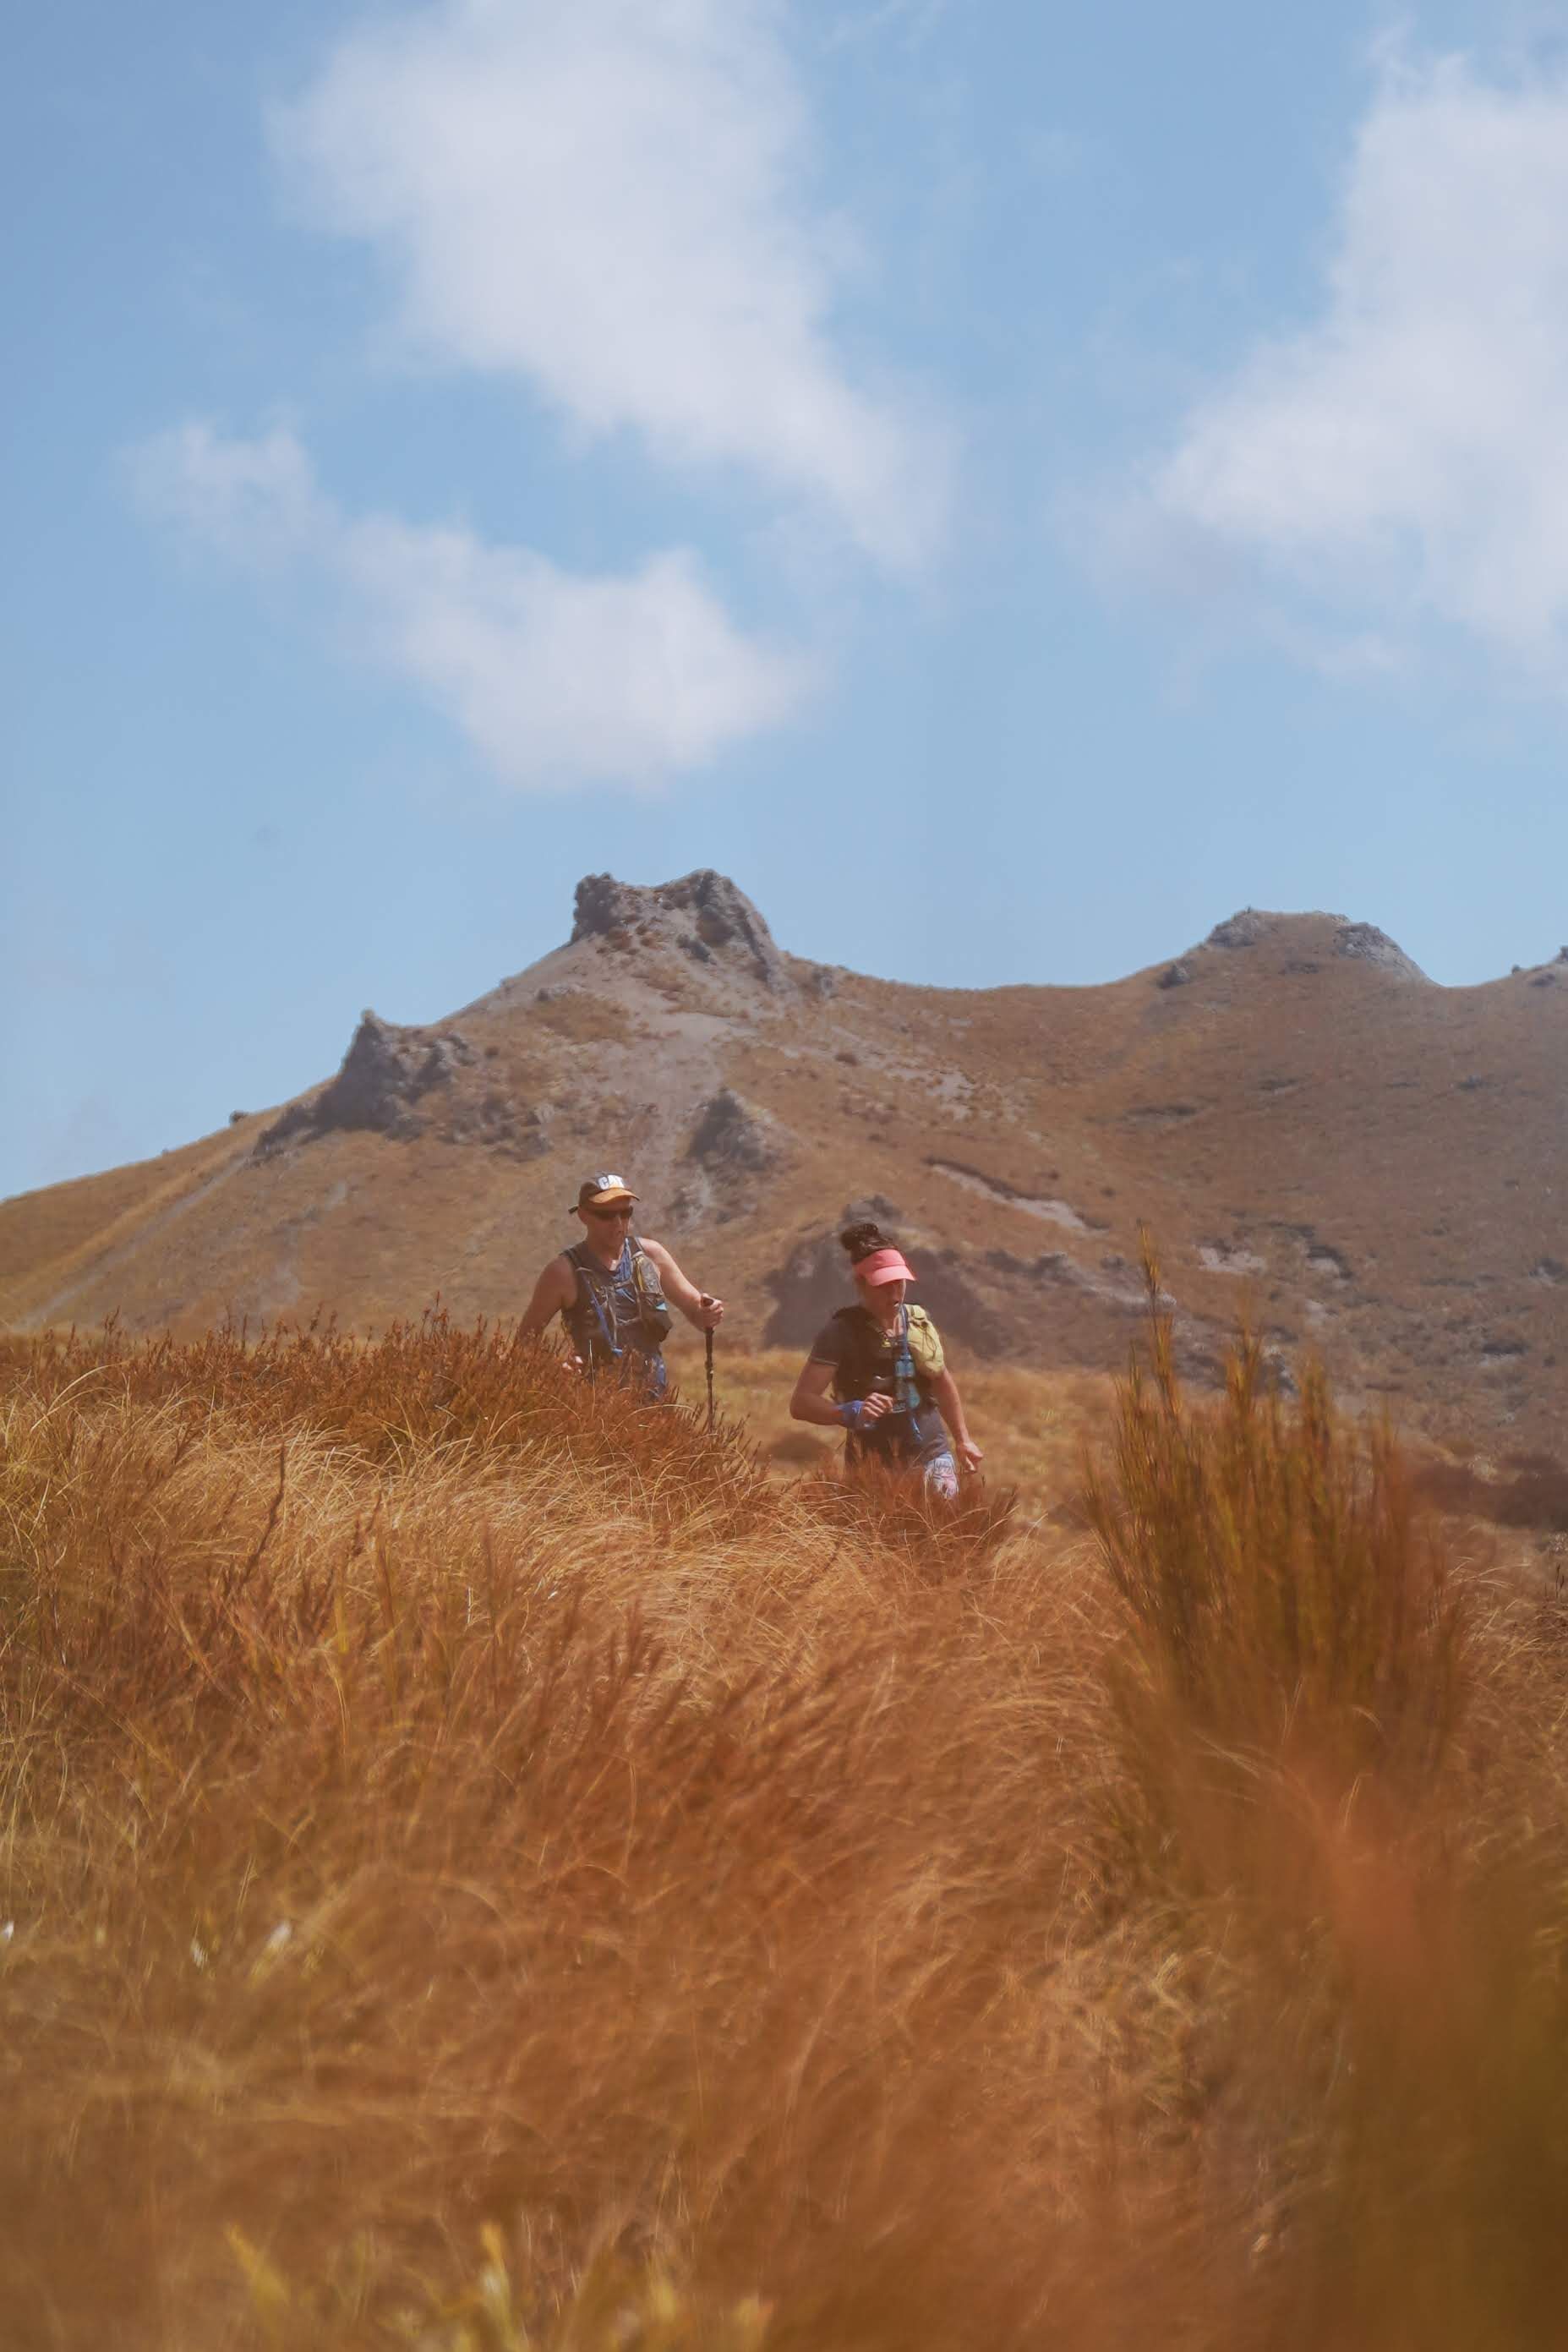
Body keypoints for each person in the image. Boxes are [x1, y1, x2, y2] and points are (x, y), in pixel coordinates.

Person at [789, 1219, 983, 1497]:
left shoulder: (917, 1322)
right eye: (883, 1285)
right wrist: (850, 1411)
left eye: (899, 1283)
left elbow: (941, 1381)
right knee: (880, 1540)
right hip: (872, 1466)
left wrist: (963, 1440)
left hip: (932, 1456)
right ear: (861, 1283)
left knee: (942, 1537)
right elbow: (801, 1404)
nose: (894, 1294)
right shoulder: (840, 1332)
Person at [517, 1173, 724, 1398]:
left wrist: (707, 1312)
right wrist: (555, 1370)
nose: (618, 1223)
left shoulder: (651, 1255)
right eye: (606, 1215)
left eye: (625, 1213)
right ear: (584, 1215)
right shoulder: (562, 1272)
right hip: (591, 1411)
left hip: (654, 1408)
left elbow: (695, 1311)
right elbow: (524, 1343)